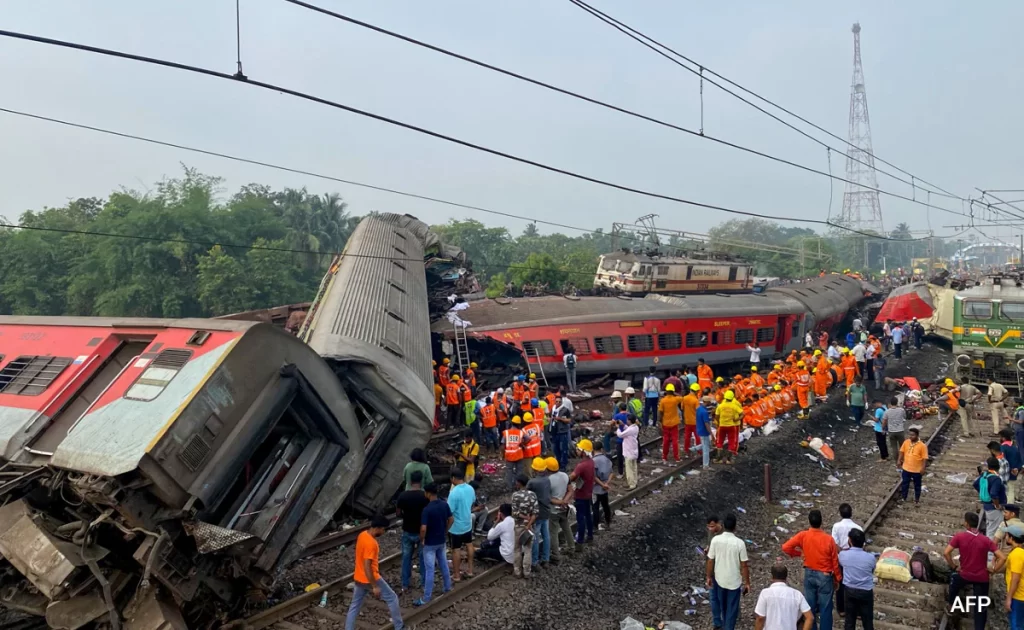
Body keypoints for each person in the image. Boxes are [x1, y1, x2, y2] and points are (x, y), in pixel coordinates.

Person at [782, 509, 840, 630]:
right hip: (824, 576)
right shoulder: (829, 539)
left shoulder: (803, 535)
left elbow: (786, 547)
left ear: (809, 522)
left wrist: (799, 554)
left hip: (809, 573)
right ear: (821, 522)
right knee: (825, 608)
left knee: (810, 607)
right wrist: (837, 578)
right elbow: (835, 561)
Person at [347, 515, 404, 629]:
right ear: (378, 528)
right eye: (383, 529)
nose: (383, 532)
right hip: (371, 578)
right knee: (392, 598)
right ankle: (399, 627)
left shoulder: (362, 535)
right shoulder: (371, 544)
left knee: (354, 606)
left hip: (358, 577)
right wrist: (374, 586)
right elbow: (367, 566)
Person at [945, 511, 1000, 630]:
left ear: (966, 524)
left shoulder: (960, 536)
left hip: (964, 575)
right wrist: (994, 569)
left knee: (954, 580)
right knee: (980, 607)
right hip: (982, 577)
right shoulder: (985, 540)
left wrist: (954, 566)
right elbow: (1002, 556)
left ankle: (951, 605)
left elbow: (946, 553)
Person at [706, 514, 750, 630]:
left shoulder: (715, 540)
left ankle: (724, 625)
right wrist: (747, 583)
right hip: (734, 582)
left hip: (720, 580)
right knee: (732, 608)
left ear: (723, 526)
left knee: (723, 606)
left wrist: (709, 576)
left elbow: (710, 561)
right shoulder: (739, 543)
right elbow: (744, 565)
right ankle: (728, 627)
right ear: (735, 527)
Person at [412, 483, 452, 606]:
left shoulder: (427, 509)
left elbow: (423, 528)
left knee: (430, 570)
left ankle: (426, 597)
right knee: (444, 564)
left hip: (429, 543)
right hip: (441, 540)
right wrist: (445, 531)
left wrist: (422, 539)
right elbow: (451, 519)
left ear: (428, 493)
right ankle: (447, 587)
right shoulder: (444, 505)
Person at [396, 471, 429, 593]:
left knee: (406, 558)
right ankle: (424, 584)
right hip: (422, 532)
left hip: (407, 531)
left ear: (410, 481)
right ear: (421, 481)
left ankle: (405, 584)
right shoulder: (425, 496)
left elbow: (398, 513)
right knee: (423, 558)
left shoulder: (403, 496)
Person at [755, 563, 813, 630]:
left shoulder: (765, 593)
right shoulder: (797, 594)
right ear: (786, 577)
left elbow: (760, 618)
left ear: (771, 577)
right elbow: (810, 617)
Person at [838, 529, 876, 630]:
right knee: (868, 621)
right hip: (866, 592)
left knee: (849, 621)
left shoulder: (843, 555)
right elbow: (871, 570)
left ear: (849, 541)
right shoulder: (871, 557)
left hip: (850, 590)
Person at [831, 503, 862, 618]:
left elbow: (834, 544)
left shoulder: (836, 526)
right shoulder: (858, 528)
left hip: (841, 559)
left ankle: (842, 609)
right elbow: (861, 545)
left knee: (840, 583)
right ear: (851, 513)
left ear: (840, 513)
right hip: (855, 560)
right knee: (855, 584)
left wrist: (843, 552)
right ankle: (857, 612)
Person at [991, 525, 1024, 629]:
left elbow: (1016, 577)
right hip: (1020, 595)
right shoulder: (1019, 552)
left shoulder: (1016, 554)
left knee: (1016, 625)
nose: (1005, 537)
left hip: (1018, 596)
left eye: (1006, 535)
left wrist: (1009, 598)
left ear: (1011, 538)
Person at [446, 469, 476, 580]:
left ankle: (457, 575)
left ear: (453, 478)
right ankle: (470, 570)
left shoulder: (453, 493)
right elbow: (472, 502)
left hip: (456, 527)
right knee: (469, 544)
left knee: (456, 549)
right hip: (467, 523)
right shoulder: (470, 488)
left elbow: (449, 512)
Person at [568, 439, 596, 546]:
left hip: (580, 495)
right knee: (588, 515)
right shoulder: (591, 462)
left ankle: (580, 539)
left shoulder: (581, 465)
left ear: (583, 452)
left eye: (579, 449)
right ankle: (590, 536)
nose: (577, 451)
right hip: (588, 493)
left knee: (580, 518)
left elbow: (572, 477)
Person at [545, 457, 573, 563]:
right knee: (566, 527)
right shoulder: (565, 475)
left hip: (553, 510)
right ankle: (571, 547)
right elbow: (570, 490)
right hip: (564, 508)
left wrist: (559, 502)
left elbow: (548, 498)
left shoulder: (548, 480)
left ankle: (555, 554)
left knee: (553, 532)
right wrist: (564, 501)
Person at [510, 474, 538, 578]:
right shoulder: (533, 495)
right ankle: (527, 572)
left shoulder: (515, 495)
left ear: (519, 483)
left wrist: (523, 517)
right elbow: (535, 512)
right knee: (528, 549)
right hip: (530, 527)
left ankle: (517, 571)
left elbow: (514, 513)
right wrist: (529, 523)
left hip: (518, 526)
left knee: (517, 549)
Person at [526, 457, 552, 568]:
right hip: (546, 511)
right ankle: (546, 559)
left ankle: (535, 561)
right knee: (546, 535)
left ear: (535, 469)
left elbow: (526, 495)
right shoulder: (547, 479)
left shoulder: (532, 482)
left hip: (536, 513)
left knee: (535, 537)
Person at [976, 456, 1007, 539]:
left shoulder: (984, 475)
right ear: (998, 467)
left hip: (986, 506)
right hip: (994, 509)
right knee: (995, 531)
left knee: (990, 529)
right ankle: (990, 551)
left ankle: (988, 549)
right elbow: (993, 494)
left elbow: (975, 484)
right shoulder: (995, 479)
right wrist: (997, 505)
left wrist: (983, 492)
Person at [897, 427, 928, 506]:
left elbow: (924, 458)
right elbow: (901, 451)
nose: (910, 437)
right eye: (910, 435)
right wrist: (899, 460)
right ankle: (904, 497)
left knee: (917, 485)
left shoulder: (922, 446)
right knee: (905, 484)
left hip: (917, 470)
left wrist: (923, 468)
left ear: (917, 435)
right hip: (906, 468)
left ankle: (917, 499)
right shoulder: (906, 442)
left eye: (913, 435)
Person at [715, 390, 744, 463]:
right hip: (732, 426)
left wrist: (719, 422)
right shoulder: (734, 406)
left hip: (722, 426)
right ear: (732, 397)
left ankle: (719, 459)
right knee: (731, 441)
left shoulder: (720, 405)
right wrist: (737, 419)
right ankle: (729, 459)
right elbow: (742, 414)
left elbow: (716, 416)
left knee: (720, 441)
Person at [658, 383, 683, 464]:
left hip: (665, 423)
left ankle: (664, 457)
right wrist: (675, 393)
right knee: (675, 441)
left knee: (665, 441)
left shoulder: (663, 401)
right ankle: (677, 457)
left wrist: (660, 422)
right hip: (674, 423)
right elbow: (681, 397)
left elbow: (660, 412)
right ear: (673, 391)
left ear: (666, 391)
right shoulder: (675, 399)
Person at [591, 442, 613, 531]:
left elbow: (594, 476)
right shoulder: (607, 459)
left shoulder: (593, 461)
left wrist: (602, 484)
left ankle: (595, 526)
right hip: (605, 489)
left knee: (595, 507)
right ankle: (608, 523)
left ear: (593, 450)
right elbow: (611, 473)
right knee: (606, 506)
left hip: (596, 488)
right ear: (601, 449)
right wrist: (606, 483)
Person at [616, 413, 640, 488]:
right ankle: (634, 482)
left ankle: (631, 485)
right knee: (634, 468)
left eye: (627, 420)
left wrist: (618, 428)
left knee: (629, 469)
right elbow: (628, 430)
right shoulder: (635, 427)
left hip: (629, 452)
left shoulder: (631, 429)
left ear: (630, 421)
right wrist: (623, 425)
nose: (626, 421)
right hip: (634, 451)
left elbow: (620, 435)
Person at [502, 416, 525, 490]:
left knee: (509, 472)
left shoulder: (506, 432)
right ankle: (518, 486)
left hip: (509, 455)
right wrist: (522, 444)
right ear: (519, 424)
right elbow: (528, 438)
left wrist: (503, 455)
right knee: (519, 471)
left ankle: (509, 487)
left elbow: (503, 445)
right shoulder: (521, 432)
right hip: (519, 454)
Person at [1002, 429, 1024, 505]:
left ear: (1003, 438)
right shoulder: (1015, 447)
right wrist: (1017, 469)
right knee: (1012, 489)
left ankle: (1009, 506)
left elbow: (1002, 461)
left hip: (1006, 473)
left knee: (1009, 490)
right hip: (1015, 472)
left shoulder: (1003, 447)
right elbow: (1020, 460)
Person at [882, 399, 906, 464]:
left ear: (890, 403)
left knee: (894, 447)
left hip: (891, 431)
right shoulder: (901, 410)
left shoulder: (887, 411)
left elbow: (884, 422)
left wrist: (883, 429)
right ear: (897, 402)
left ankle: (897, 461)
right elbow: (904, 417)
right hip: (900, 430)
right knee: (902, 446)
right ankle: (903, 459)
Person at [550, 400, 572, 471]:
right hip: (555, 432)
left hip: (562, 432)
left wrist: (560, 419)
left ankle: (564, 465)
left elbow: (568, 420)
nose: (558, 403)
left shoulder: (565, 410)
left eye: (559, 402)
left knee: (563, 449)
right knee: (556, 449)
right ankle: (558, 463)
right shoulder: (553, 409)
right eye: (556, 401)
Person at [696, 395, 714, 469]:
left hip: (700, 429)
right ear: (707, 402)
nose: (710, 403)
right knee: (706, 449)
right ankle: (705, 465)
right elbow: (706, 423)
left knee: (706, 443)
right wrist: (711, 434)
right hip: (704, 431)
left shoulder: (699, 409)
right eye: (709, 401)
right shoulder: (704, 412)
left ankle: (694, 449)